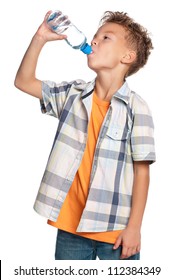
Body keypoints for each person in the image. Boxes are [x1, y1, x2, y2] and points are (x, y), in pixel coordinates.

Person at [14, 10, 156, 260]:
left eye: (105, 38)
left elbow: (141, 172)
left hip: (116, 232)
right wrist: (40, 39)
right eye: (95, 37)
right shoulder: (72, 94)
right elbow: (24, 82)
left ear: (127, 56)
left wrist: (134, 228)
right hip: (71, 229)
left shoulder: (138, 108)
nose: (93, 41)